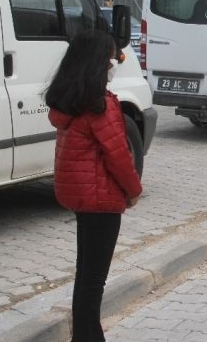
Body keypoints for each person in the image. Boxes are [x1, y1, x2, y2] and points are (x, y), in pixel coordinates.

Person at [45, 30, 143, 342]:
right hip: (102, 197)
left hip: (82, 197)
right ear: (98, 63)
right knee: (93, 280)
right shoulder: (101, 105)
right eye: (114, 57)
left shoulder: (70, 101)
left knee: (85, 275)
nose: (115, 63)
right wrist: (134, 191)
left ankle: (85, 336)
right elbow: (118, 156)